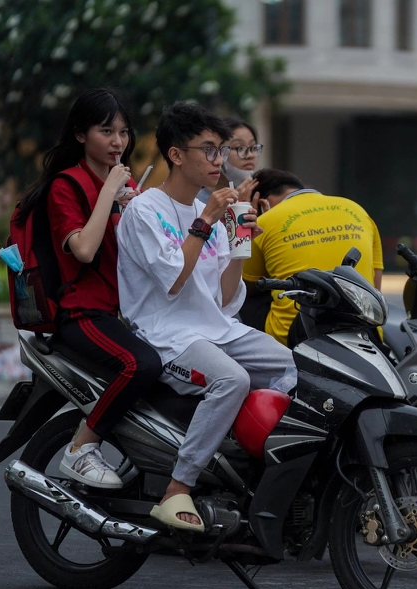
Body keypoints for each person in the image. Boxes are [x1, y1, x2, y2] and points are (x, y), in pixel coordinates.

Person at [116, 102, 297, 532]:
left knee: (293, 365)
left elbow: (225, 300)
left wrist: (240, 241)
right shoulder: (146, 211)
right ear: (176, 155)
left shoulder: (213, 219)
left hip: (214, 328)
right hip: (167, 335)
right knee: (230, 379)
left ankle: (245, 466)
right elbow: (174, 283)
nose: (220, 161)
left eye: (222, 151)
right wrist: (207, 218)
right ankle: (178, 488)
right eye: (210, 150)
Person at [14, 88, 162, 488]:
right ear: (81, 135)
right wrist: (111, 195)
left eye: (124, 132)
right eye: (106, 131)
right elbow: (82, 249)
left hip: (124, 312)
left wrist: (133, 211)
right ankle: (82, 446)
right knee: (142, 364)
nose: (118, 142)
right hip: (82, 312)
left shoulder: (123, 190)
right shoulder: (68, 185)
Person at [241, 169, 383, 346]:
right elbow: (375, 286)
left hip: (295, 338)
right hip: (367, 330)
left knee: (244, 293)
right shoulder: (357, 209)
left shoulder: (265, 221)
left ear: (261, 203)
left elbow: (245, 286)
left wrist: (243, 220)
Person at [195, 117, 261, 210]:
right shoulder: (198, 202)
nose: (250, 155)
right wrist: (236, 208)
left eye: (253, 147)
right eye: (239, 148)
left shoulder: (262, 195)